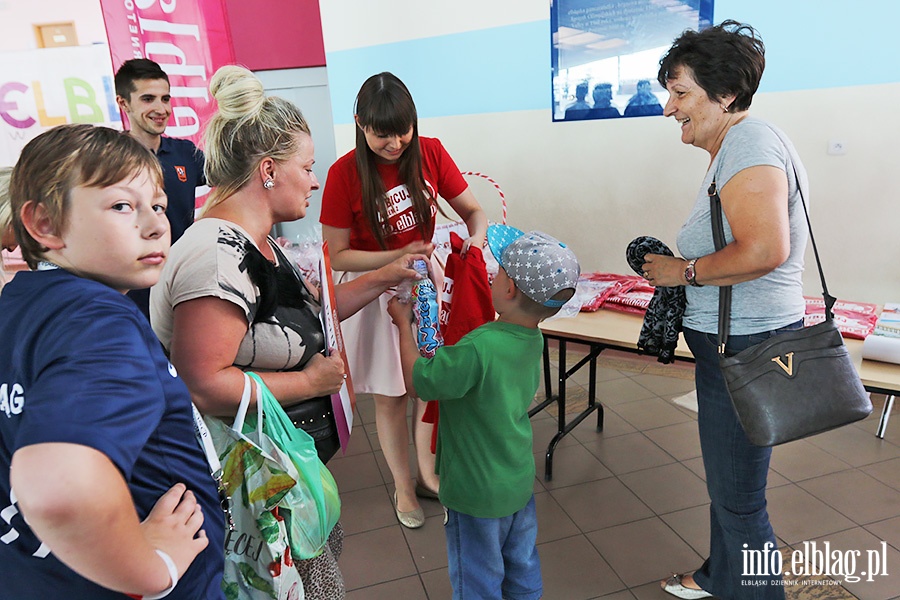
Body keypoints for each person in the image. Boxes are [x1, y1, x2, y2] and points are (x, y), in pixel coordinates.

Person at [151, 65, 426, 599]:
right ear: (269, 171)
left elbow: (305, 323)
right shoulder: (216, 256)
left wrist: (382, 278)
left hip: (280, 478)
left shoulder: (255, 242)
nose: (316, 179)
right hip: (248, 494)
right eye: (308, 166)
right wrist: (311, 384)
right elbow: (204, 382)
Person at [0, 124, 224, 599]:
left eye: (158, 206)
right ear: (45, 225)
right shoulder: (99, 321)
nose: (156, 224)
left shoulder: (21, 303)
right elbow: (59, 489)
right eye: (123, 205)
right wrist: (155, 567)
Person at [640, 21, 808, 600]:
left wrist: (681, 272)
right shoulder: (737, 146)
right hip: (734, 342)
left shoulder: (748, 142)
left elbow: (765, 248)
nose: (670, 109)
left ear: (726, 95)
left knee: (740, 500)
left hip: (746, 347)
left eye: (681, 93)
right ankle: (719, 576)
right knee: (728, 484)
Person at [319, 71, 487, 529]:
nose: (395, 143)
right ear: (360, 123)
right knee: (392, 394)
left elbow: (473, 209)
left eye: (403, 130)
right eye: (382, 134)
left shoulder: (430, 150)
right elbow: (336, 256)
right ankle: (403, 485)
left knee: (430, 387)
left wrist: (478, 236)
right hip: (374, 288)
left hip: (425, 283)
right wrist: (398, 255)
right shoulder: (342, 174)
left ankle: (430, 475)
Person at [387, 225, 580, 600]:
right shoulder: (531, 336)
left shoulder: (479, 346)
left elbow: (421, 383)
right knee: (521, 563)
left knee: (477, 575)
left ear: (508, 289)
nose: (492, 276)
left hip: (475, 493)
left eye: (498, 272)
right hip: (517, 482)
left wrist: (403, 327)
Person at [115, 58, 206, 319]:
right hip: (137, 291)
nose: (160, 108)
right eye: (148, 99)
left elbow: (232, 178)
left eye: (165, 99)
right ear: (124, 103)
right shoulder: (107, 159)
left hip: (187, 281)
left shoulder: (185, 153)